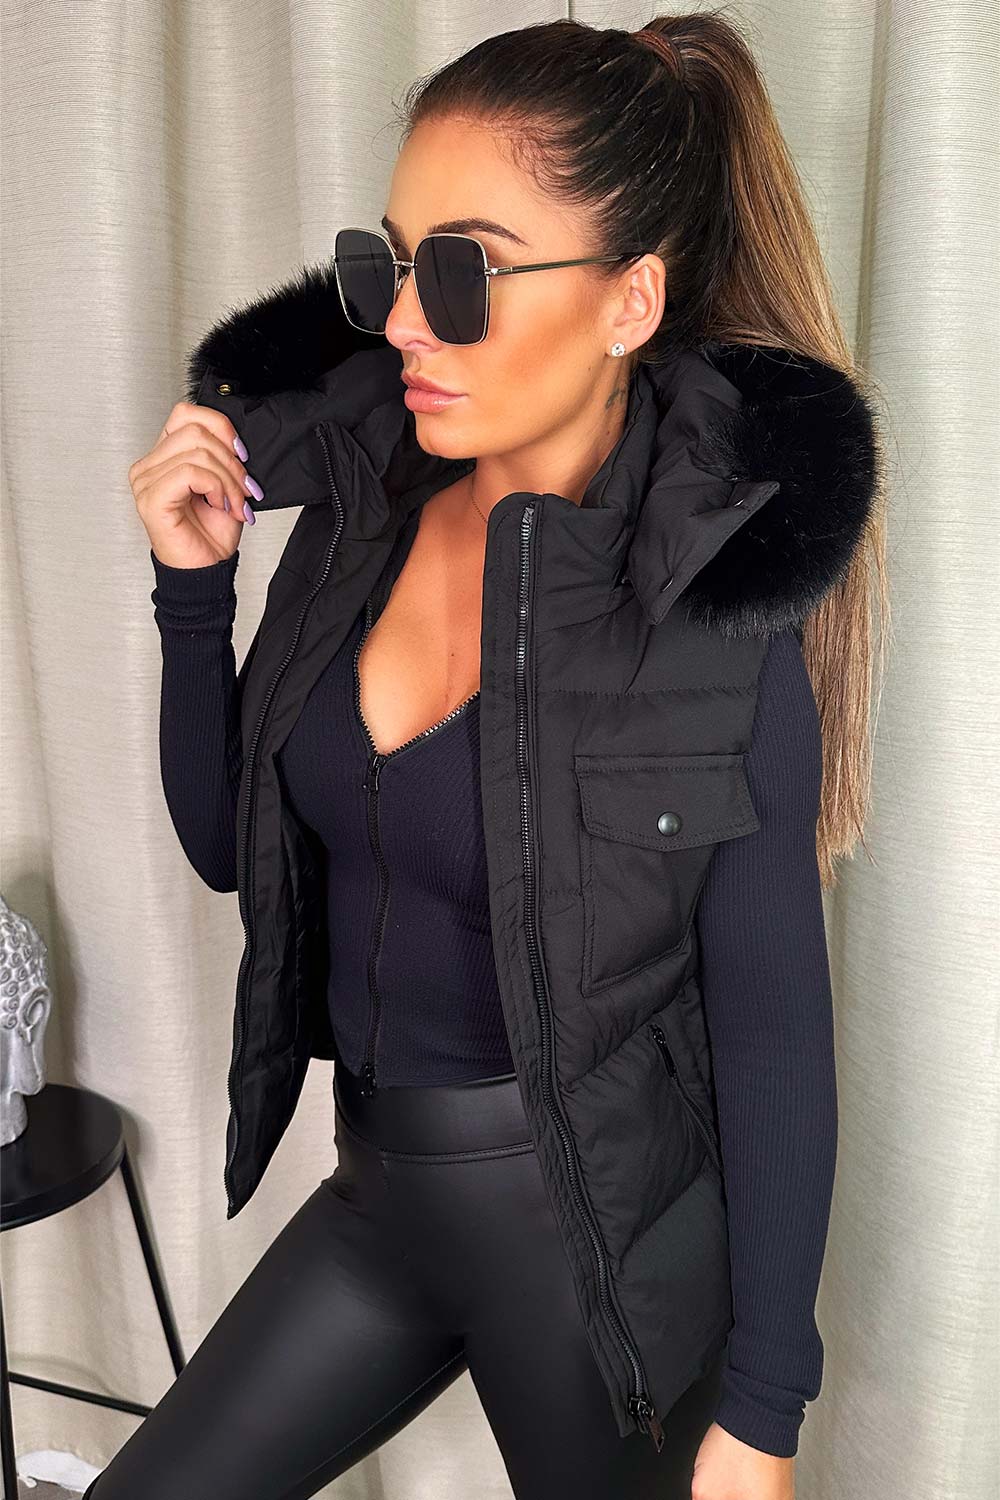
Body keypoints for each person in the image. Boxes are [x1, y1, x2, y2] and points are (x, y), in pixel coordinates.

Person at [105, 13, 884, 1500]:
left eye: (463, 273)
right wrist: (193, 594)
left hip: (599, 1261)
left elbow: (776, 1021)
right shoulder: (362, 522)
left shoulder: (711, 620)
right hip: (378, 1205)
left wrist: (766, 1411)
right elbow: (230, 849)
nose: (404, 321)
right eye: (390, 265)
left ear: (628, 301)